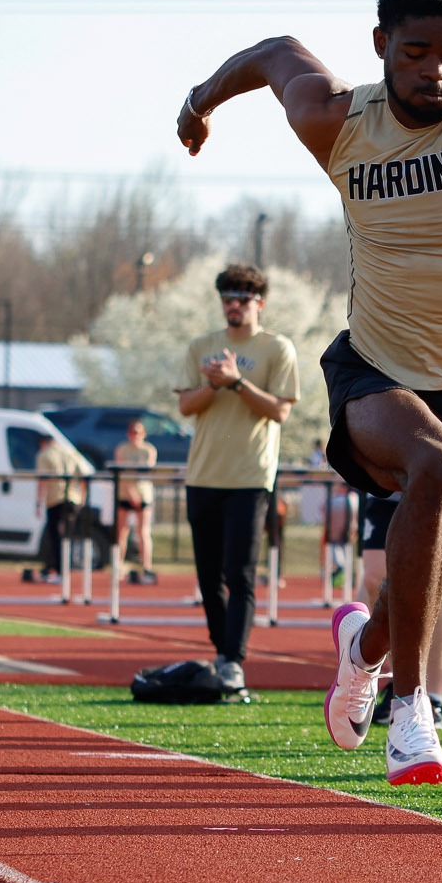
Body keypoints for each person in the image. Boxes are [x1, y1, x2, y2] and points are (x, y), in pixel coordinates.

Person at [175, 0, 442, 785]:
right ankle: (413, 710)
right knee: (433, 466)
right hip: (376, 370)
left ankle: (362, 651)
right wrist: (199, 101)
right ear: (382, 47)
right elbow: (273, 53)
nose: (436, 69)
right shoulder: (337, 119)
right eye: (416, 52)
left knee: (426, 585)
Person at [174, 264, 300, 695]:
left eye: (242, 299)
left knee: (240, 572)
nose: (233, 306)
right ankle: (221, 649)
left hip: (250, 477)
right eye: (227, 298)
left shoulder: (276, 348)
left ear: (259, 303)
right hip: (204, 474)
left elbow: (280, 411)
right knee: (208, 574)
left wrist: (237, 381)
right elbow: (186, 406)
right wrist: (215, 385)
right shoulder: (201, 347)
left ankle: (232, 660)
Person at [361, 494, 442, 730]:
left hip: (440, 479)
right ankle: (400, 682)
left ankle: (432, 696)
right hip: (388, 482)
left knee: (437, 583)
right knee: (375, 578)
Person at [27, 433, 94, 584]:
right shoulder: (71, 453)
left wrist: (38, 502)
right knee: (66, 535)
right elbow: (85, 475)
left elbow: (42, 480)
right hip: (73, 498)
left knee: (56, 535)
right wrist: (82, 498)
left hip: (56, 499)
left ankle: (59, 570)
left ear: (43, 443)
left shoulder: (44, 454)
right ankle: (63, 569)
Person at [111, 419, 160, 586]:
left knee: (143, 532)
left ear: (144, 434)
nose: (135, 435)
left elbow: (147, 472)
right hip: (125, 494)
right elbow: (121, 473)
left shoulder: (149, 450)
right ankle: (118, 566)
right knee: (122, 531)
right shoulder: (122, 449)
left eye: (138, 432)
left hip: (144, 495)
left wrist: (138, 494)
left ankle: (146, 567)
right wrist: (131, 492)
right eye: (132, 432)